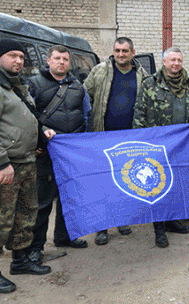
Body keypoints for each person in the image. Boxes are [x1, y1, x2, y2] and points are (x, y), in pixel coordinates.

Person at [133, 47, 189, 248]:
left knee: (176, 185)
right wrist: (140, 142)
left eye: (179, 60)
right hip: (155, 146)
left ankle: (172, 220)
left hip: (181, 146)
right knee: (156, 186)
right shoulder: (150, 84)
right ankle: (159, 229)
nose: (175, 63)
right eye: (172, 60)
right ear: (164, 62)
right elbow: (139, 113)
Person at [26, 45, 92, 265]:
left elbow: (86, 114)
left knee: (69, 198)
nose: (61, 62)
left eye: (65, 59)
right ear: (48, 60)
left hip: (72, 152)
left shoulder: (77, 86)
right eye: (57, 58)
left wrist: (85, 141)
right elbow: (28, 115)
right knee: (43, 201)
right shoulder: (34, 84)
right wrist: (37, 141)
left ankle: (64, 237)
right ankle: (36, 248)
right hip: (46, 152)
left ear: (69, 63)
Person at [0, 39, 54, 294]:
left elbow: (28, 119)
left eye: (21, 57)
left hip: (27, 162)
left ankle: (19, 262)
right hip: (7, 167)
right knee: (2, 219)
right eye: (12, 56)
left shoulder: (16, 86)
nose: (18, 61)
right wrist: (2, 163)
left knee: (25, 215)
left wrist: (40, 136)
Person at [84, 37, 149, 245]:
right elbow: (86, 98)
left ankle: (122, 220)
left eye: (125, 51)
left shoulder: (142, 75)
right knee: (103, 183)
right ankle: (102, 227)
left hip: (130, 139)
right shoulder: (99, 71)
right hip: (103, 135)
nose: (121, 54)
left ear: (133, 52)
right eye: (117, 50)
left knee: (126, 180)